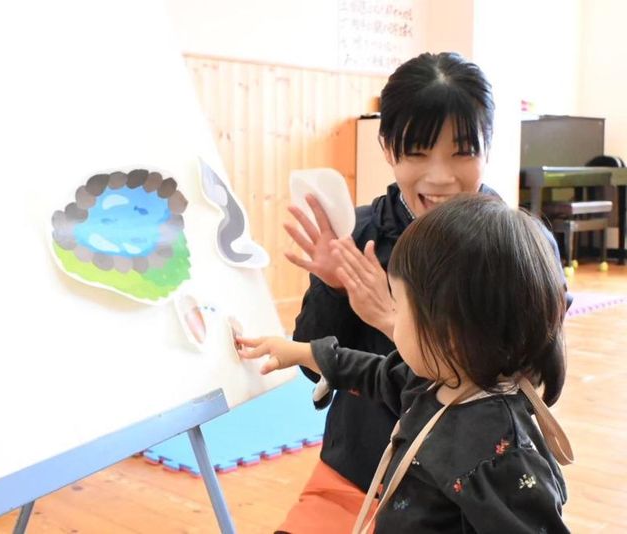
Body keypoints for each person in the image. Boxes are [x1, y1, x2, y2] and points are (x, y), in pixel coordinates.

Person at [240, 194, 572, 533]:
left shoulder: (500, 455)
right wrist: (301, 352)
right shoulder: (441, 380)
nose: (391, 316)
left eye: (397, 306)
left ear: (449, 332)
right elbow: (374, 373)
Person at [275, 51, 501, 533]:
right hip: (358, 473)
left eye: (462, 152)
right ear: (387, 148)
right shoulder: (358, 235)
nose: (440, 176)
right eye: (417, 152)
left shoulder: (516, 246)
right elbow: (310, 365)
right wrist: (334, 288)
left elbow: (517, 381)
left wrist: (390, 317)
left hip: (472, 490)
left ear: (488, 146)